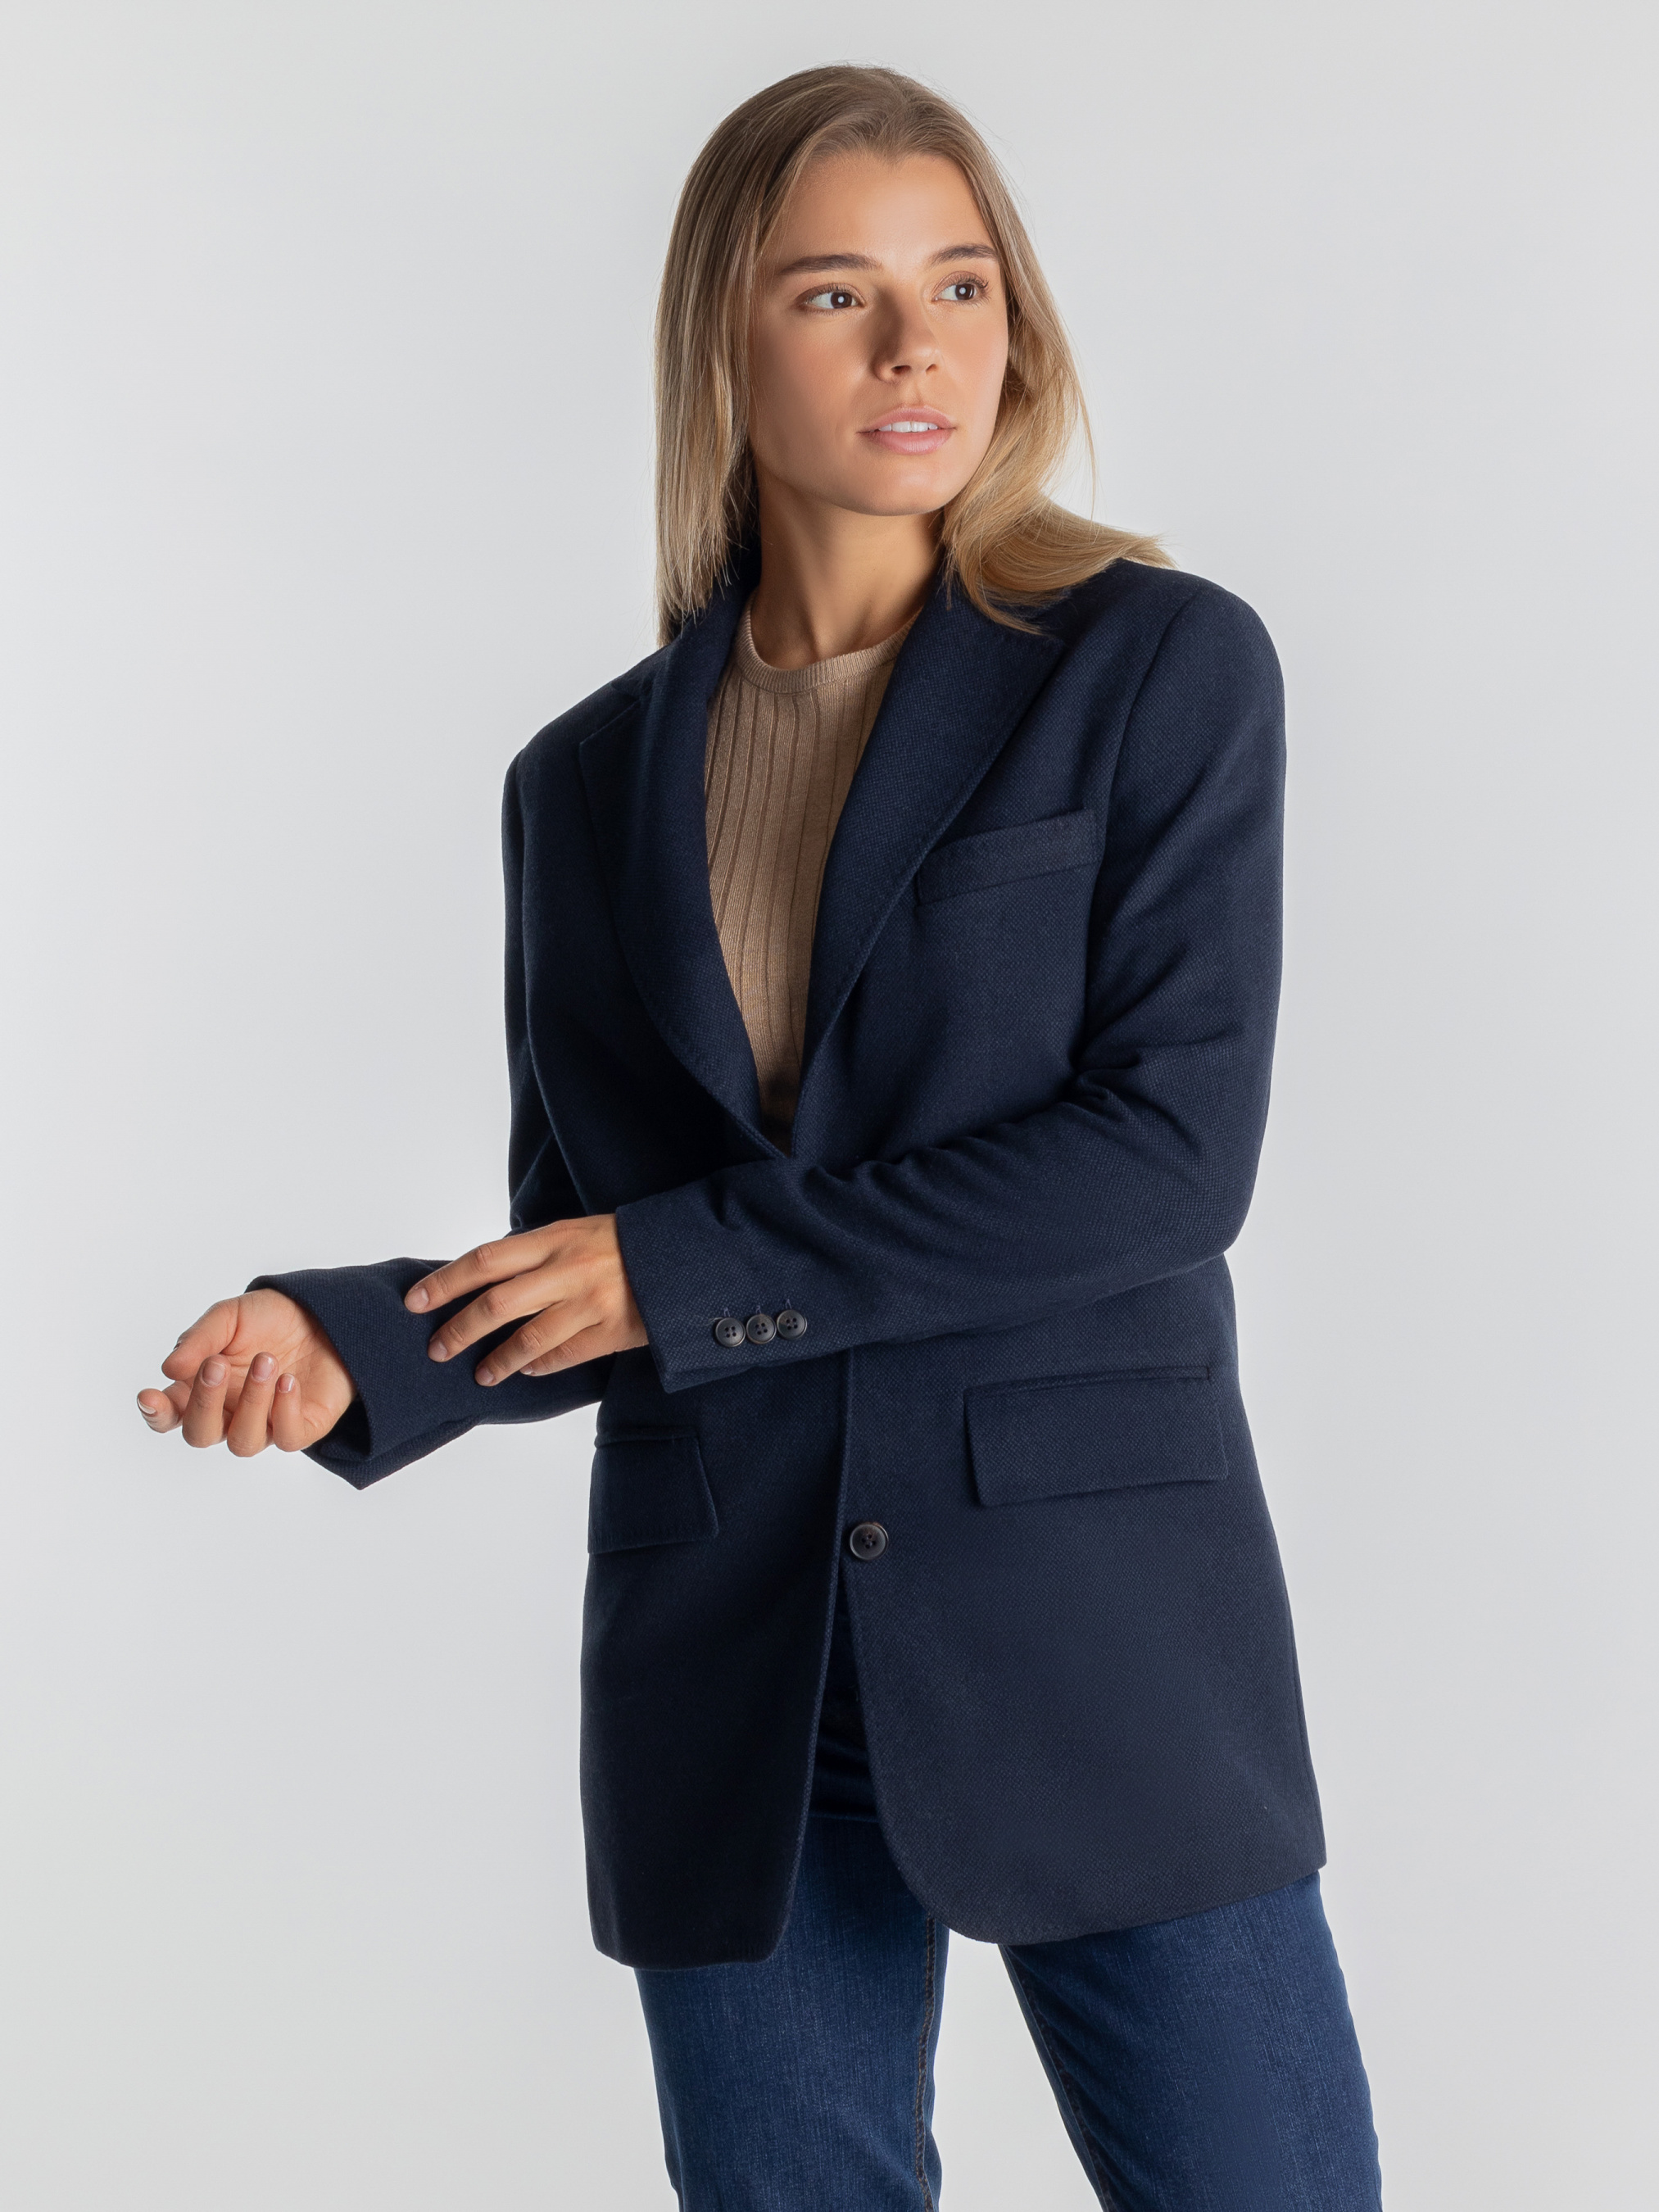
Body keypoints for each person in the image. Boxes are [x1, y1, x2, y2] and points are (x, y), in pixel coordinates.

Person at [138, 64, 1383, 2212]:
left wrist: (676, 1269)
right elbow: (606, 1247)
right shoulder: (581, 785)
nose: (915, 348)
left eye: (959, 284)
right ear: (725, 338)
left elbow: (1164, 1157)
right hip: (739, 1668)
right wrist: (359, 1339)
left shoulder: (1152, 668)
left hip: (1095, 1633)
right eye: (835, 293)